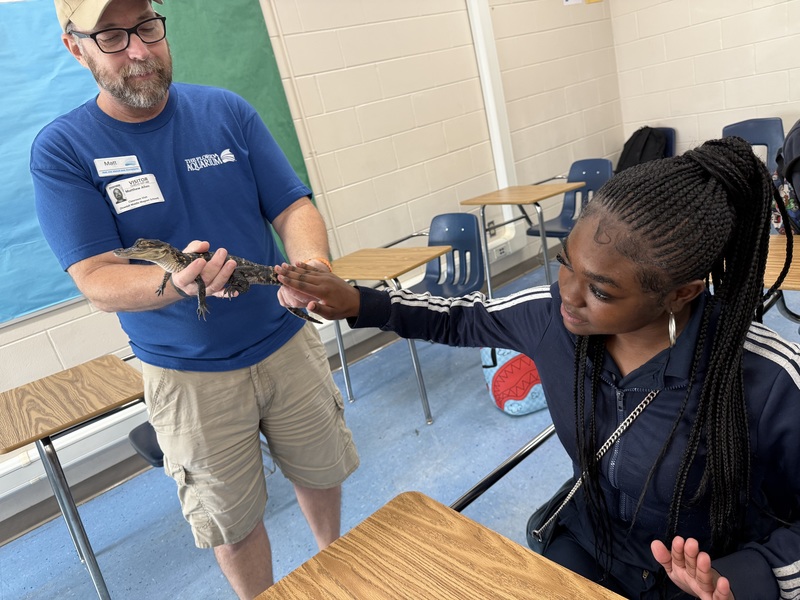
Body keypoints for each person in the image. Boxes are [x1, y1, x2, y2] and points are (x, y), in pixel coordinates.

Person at [276, 136, 800, 600]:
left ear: (681, 293)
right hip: (589, 548)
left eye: (600, 291)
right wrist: (359, 304)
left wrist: (747, 578)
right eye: (566, 262)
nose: (566, 295)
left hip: (705, 577)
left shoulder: (767, 378)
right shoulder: (554, 319)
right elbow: (461, 319)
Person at [30, 0, 359, 597]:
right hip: (188, 377)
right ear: (76, 47)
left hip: (286, 345)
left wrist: (309, 269)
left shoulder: (224, 110)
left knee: (321, 473)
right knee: (231, 525)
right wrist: (174, 282)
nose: (137, 50)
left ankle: (333, 571)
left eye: (147, 27)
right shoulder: (64, 149)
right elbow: (96, 277)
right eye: (110, 36)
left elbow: (292, 205)